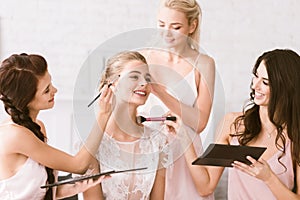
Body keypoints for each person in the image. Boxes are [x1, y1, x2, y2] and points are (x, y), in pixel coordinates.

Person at [170, 49, 300, 199]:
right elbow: (205, 187)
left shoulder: (295, 136)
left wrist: (269, 178)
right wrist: (185, 138)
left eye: (265, 82)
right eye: (256, 76)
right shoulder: (233, 125)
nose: (255, 86)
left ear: (285, 88)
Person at [0, 53, 113, 199]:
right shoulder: (15, 135)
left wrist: (76, 187)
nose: (55, 90)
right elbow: (79, 165)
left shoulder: (36, 127)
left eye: (51, 83)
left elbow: (40, 191)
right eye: (46, 90)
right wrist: (103, 114)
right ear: (26, 100)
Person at [138, 0, 216, 199]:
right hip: (147, 150)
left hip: (185, 152)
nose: (166, 32)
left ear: (192, 26)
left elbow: (200, 122)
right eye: (161, 24)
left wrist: (160, 92)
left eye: (176, 27)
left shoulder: (204, 64)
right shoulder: (143, 58)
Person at [83, 51, 168, 200]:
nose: (144, 83)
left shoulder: (158, 141)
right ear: (113, 83)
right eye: (134, 76)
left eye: (147, 78)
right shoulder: (92, 145)